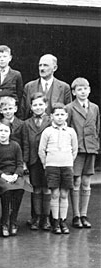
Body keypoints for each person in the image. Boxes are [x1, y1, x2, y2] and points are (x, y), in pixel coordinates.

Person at [65, 78, 100, 229]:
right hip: (77, 150)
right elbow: (66, 129)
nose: (83, 92)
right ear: (73, 92)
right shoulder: (70, 108)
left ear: (89, 90)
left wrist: (94, 144)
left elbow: (96, 128)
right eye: (79, 89)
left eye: (85, 89)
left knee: (86, 182)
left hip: (90, 148)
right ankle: (76, 215)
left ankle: (84, 214)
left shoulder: (95, 108)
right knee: (76, 182)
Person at [39, 103, 78, 234]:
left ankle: (63, 221)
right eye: (57, 114)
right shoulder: (47, 132)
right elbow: (41, 150)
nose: (60, 117)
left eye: (62, 114)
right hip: (52, 167)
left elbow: (75, 150)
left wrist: (68, 161)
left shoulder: (71, 132)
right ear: (51, 116)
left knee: (64, 194)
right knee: (54, 194)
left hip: (66, 166)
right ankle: (55, 221)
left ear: (66, 116)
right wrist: (47, 164)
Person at [0, 119, 31, 237]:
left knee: (20, 189)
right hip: (1, 175)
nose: (3, 133)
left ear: (10, 132)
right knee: (7, 191)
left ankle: (13, 221)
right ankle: (4, 222)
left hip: (14, 174)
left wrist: (16, 175)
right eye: (0, 131)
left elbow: (19, 163)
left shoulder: (15, 146)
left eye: (6, 131)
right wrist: (4, 176)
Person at [22, 92, 52, 231]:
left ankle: (46, 218)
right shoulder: (26, 123)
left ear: (46, 105)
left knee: (46, 189)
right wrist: (25, 161)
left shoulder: (51, 121)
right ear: (31, 106)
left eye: (41, 104)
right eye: (35, 105)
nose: (38, 107)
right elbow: (26, 143)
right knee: (36, 188)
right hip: (34, 160)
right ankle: (36, 217)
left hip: (48, 160)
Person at [21, 54, 71, 119]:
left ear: (55, 68)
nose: (42, 68)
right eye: (40, 65)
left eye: (45, 65)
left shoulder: (64, 88)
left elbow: (68, 113)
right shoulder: (29, 87)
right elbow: (23, 112)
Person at [0, 45, 23, 124]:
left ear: (10, 58)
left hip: (10, 112)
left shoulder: (16, 75)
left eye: (5, 56)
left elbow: (19, 94)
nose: (2, 59)